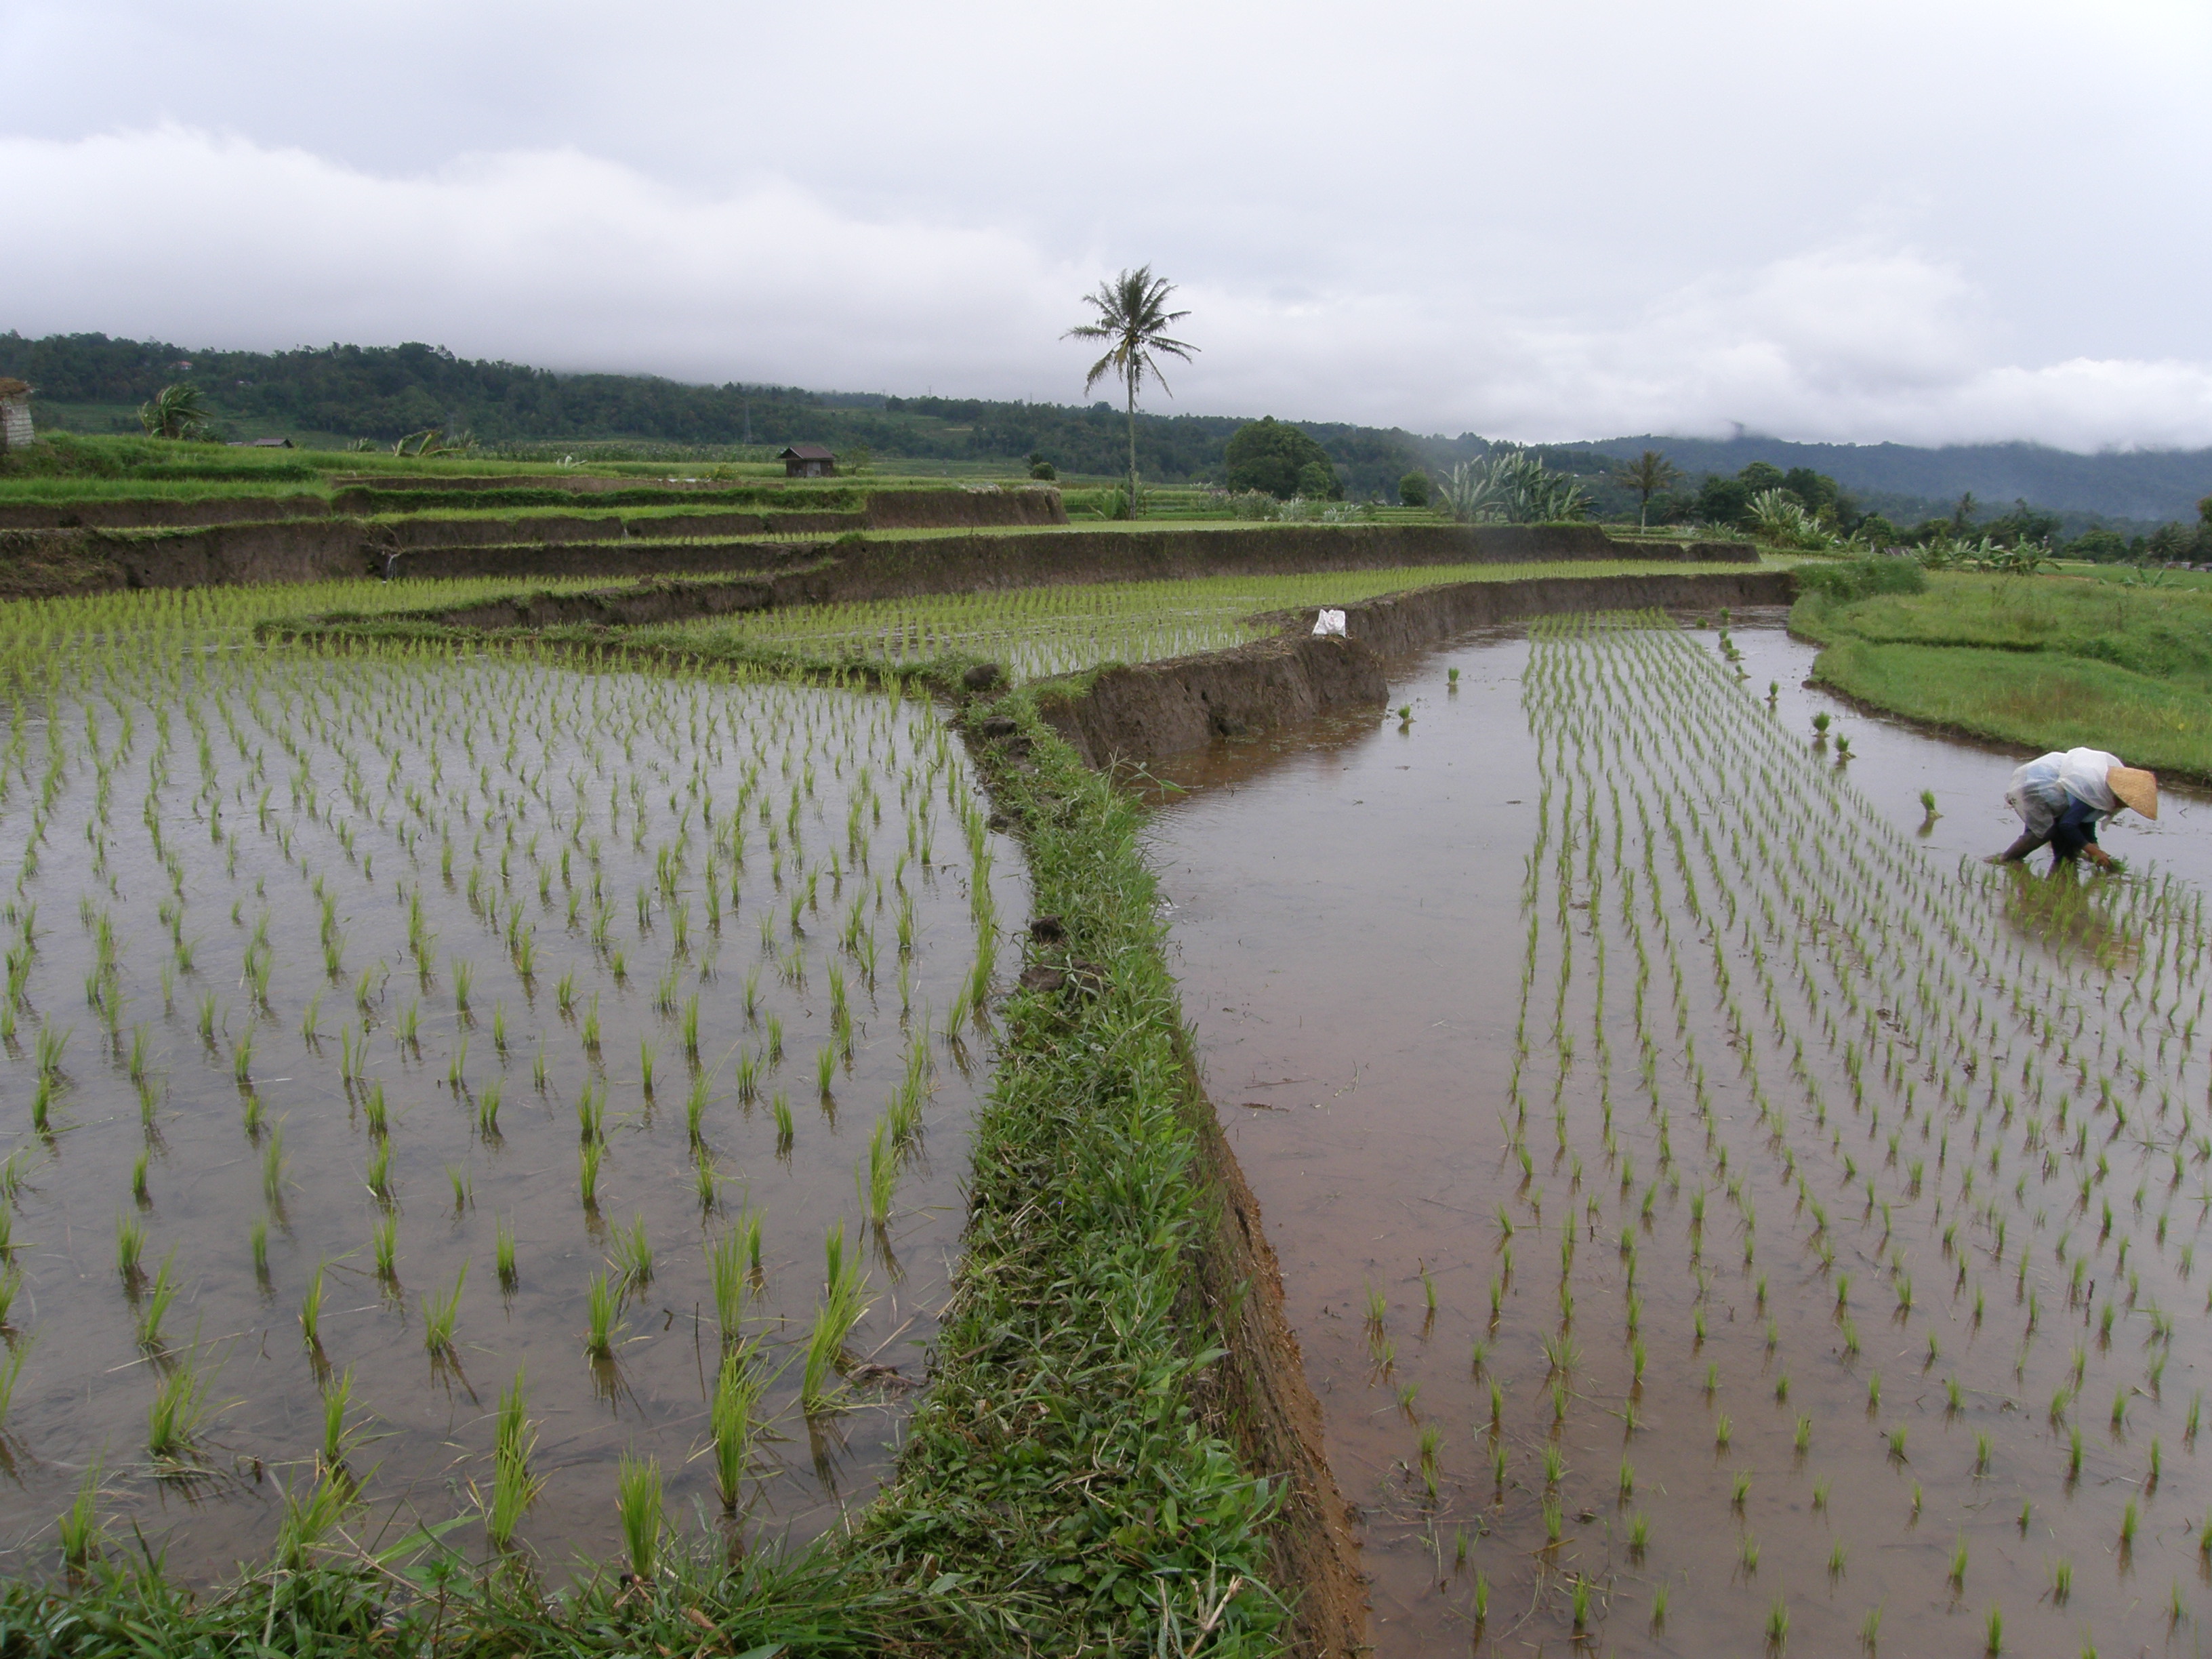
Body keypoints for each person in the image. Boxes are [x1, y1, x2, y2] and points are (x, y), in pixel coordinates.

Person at [1991, 747, 2158, 869]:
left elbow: (2086, 820)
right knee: (2044, 831)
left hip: (2059, 789)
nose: (2126, 805)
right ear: (2119, 794)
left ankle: (2060, 871)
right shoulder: (2093, 788)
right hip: (2039, 784)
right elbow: (2068, 825)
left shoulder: (2104, 796)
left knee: (2069, 856)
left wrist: (2095, 848)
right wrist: (2092, 851)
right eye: (2127, 802)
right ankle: (2007, 859)